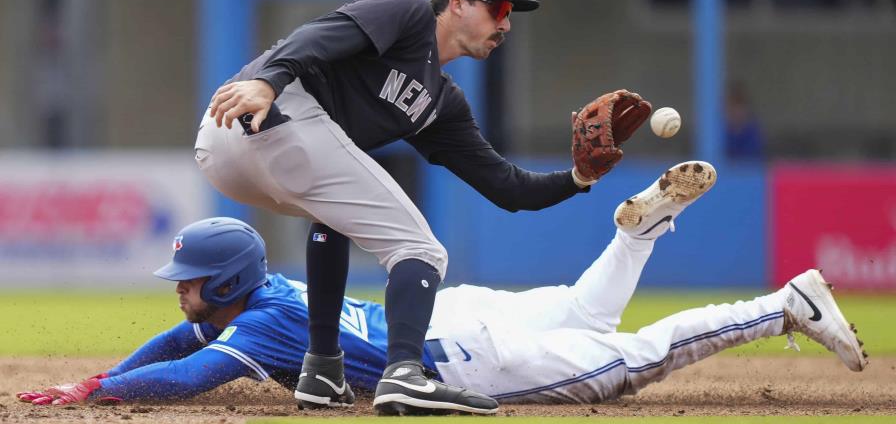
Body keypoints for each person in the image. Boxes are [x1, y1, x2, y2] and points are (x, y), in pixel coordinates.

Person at [17, 161, 868, 411]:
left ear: (225, 284)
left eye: (190, 283)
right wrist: (105, 376)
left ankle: (783, 303)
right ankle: (640, 232)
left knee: (630, 360)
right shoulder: (264, 300)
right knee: (582, 307)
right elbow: (178, 344)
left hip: (465, 357)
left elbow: (188, 372)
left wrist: (98, 390)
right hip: (450, 314)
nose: (180, 293)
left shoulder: (260, 329)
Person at [193, 0, 649, 415]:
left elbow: (508, 188)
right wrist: (270, 82)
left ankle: (323, 370)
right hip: (265, 108)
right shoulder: (407, 11)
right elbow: (317, 36)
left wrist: (580, 177)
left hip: (230, 153)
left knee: (334, 217)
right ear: (457, 3)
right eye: (499, 8)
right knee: (422, 251)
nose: (506, 25)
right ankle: (405, 375)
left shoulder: (441, 102)